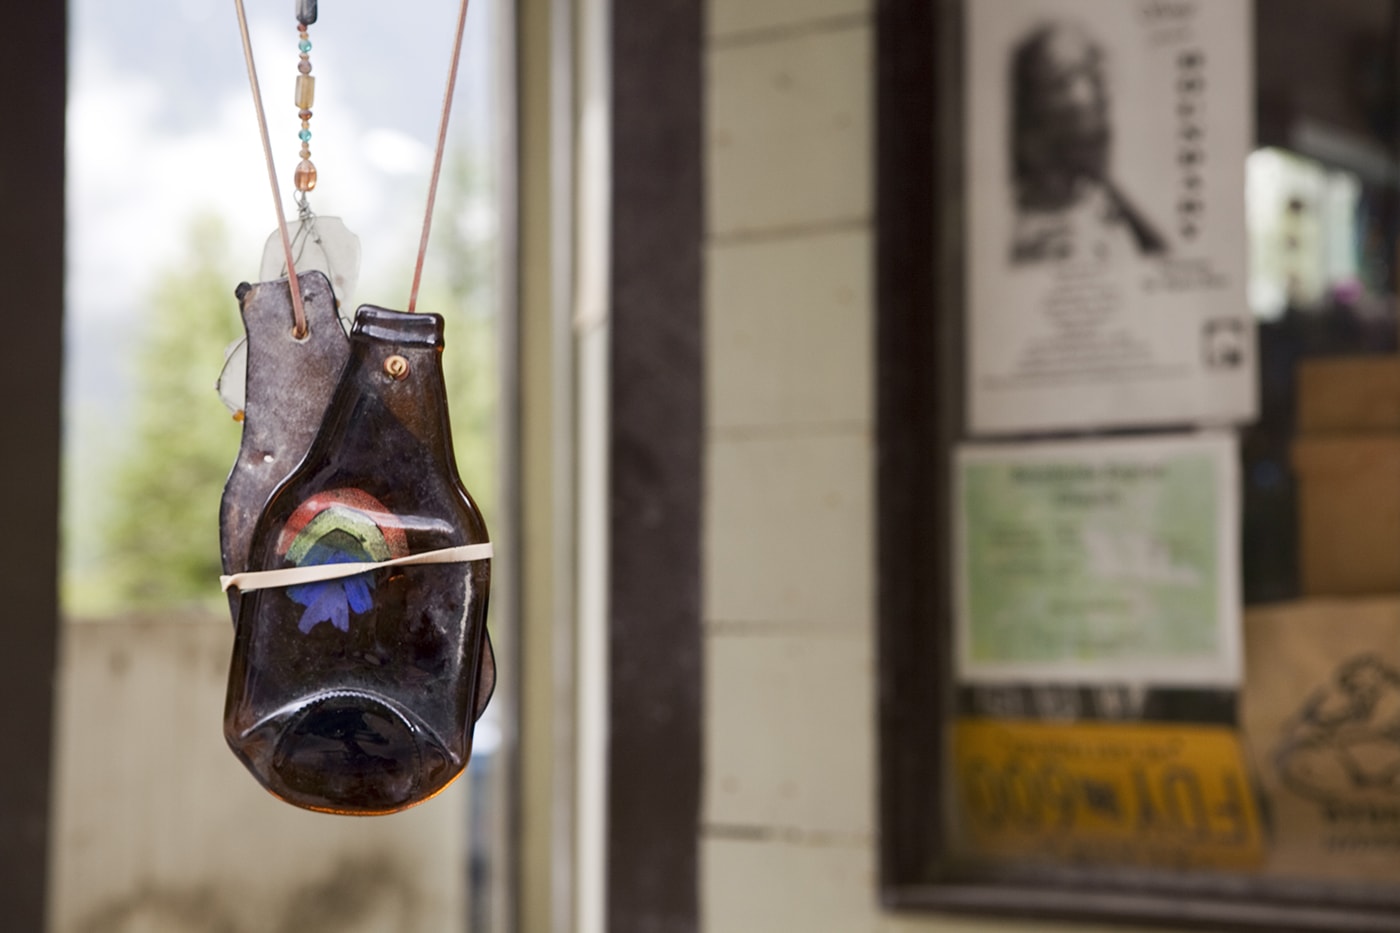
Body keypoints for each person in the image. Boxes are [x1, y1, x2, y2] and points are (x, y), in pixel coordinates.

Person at [1009, 21, 1168, 264]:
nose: (1102, 90)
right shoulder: (1040, 234)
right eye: (1065, 78)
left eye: (1095, 70)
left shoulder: (1097, 196)